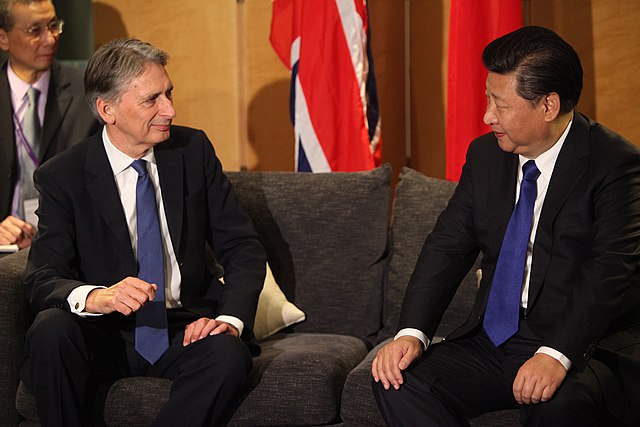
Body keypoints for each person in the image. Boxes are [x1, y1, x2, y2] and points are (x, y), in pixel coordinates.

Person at [372, 26, 640, 426]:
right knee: (398, 380)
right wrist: (411, 332)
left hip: (580, 343)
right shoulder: (485, 155)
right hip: (494, 337)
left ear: (548, 105)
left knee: (557, 405)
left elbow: (609, 272)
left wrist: (555, 356)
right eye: (487, 99)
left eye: (501, 104)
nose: (487, 116)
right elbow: (447, 247)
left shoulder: (615, 165)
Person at [22, 38, 266, 426]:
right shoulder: (62, 176)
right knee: (51, 331)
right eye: (152, 100)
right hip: (103, 332)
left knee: (228, 355)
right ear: (108, 110)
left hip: (182, 326)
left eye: (168, 93)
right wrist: (98, 297)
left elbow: (242, 246)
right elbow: (41, 279)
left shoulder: (193, 150)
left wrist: (230, 320)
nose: (169, 109)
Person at [0, 0, 99, 249]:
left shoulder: (88, 92)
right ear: (3, 38)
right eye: (35, 30)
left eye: (54, 26)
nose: (51, 39)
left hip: (71, 246)